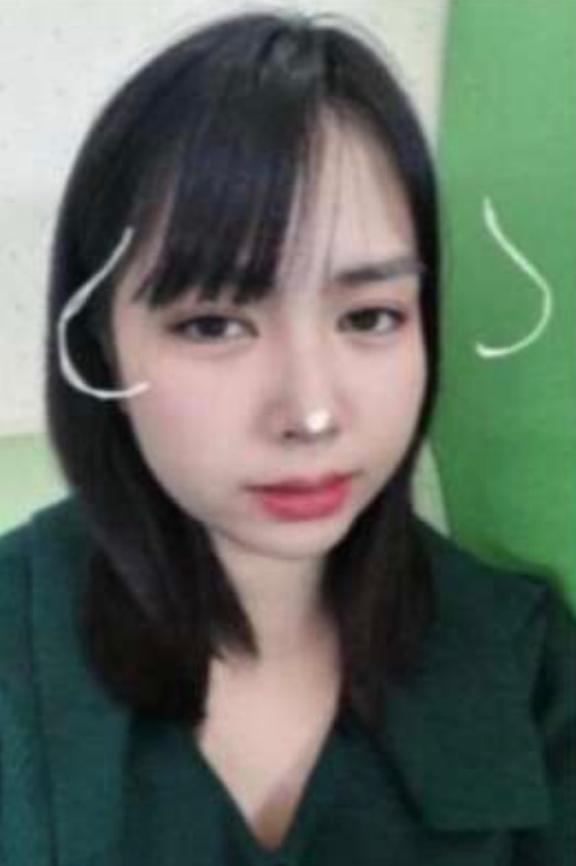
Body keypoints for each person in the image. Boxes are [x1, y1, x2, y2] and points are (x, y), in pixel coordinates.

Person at [0, 8, 574, 865]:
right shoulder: (17, 647)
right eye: (214, 324)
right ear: (98, 348)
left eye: (370, 316)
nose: (311, 413)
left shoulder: (526, 662)